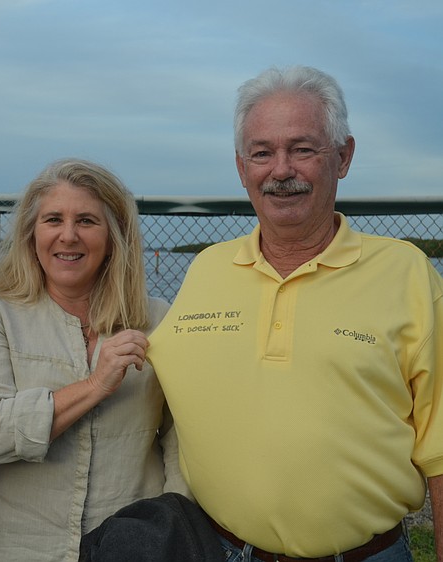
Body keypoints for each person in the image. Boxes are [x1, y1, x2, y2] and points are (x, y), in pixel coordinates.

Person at [148, 65, 443, 561]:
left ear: (344, 156)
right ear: (242, 168)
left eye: (303, 149)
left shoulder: (407, 274)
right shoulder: (206, 270)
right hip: (223, 550)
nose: (280, 170)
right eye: (261, 153)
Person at [0, 158, 189, 562]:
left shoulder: (158, 318)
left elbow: (180, 441)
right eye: (53, 220)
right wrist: (95, 385)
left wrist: (173, 524)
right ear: (31, 233)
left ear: (114, 235)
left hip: (135, 547)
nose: (68, 236)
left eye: (86, 220)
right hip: (21, 549)